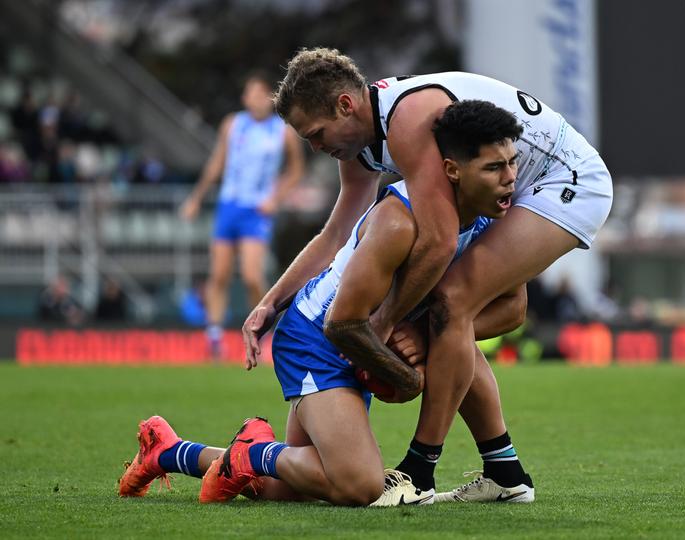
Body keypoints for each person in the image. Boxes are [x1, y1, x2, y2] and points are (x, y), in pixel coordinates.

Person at [240, 48, 613, 503]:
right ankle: (504, 470)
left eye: (316, 134)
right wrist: (270, 302)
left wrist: (384, 326)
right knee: (450, 317)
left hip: (565, 181)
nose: (315, 147)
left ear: (345, 105)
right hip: (512, 181)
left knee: (451, 305)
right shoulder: (362, 139)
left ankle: (419, 470)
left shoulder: (406, 120)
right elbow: (336, 233)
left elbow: (437, 244)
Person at [119, 101, 530, 506]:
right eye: (494, 168)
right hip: (318, 339)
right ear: (453, 171)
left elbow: (514, 308)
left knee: (289, 486)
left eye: (512, 163)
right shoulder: (399, 219)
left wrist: (425, 335)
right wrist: (408, 377)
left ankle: (168, 451)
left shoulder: (490, 214)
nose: (511, 179)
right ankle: (249, 452)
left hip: (362, 337)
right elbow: (342, 324)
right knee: (359, 486)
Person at [180, 71, 304, 357]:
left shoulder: (282, 130)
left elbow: (296, 171)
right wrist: (196, 197)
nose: (256, 100)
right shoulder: (233, 124)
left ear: (270, 99)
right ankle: (213, 338)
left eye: (262, 95)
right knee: (219, 274)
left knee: (251, 275)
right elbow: (218, 162)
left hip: (256, 210)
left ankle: (261, 330)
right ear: (245, 98)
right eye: (251, 94)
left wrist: (276, 199)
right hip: (229, 205)